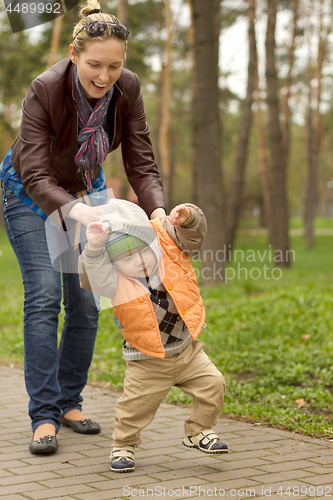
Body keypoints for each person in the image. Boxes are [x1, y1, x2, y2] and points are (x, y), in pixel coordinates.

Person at [0, 0, 165, 455]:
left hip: (88, 190)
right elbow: (34, 172)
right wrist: (76, 212)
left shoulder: (127, 90)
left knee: (87, 305)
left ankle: (69, 401)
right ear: (74, 55)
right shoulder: (45, 89)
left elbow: (141, 162)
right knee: (46, 296)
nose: (104, 75)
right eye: (94, 64)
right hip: (29, 194)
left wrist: (157, 211)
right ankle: (43, 414)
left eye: (115, 66)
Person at [79, 198, 228, 473]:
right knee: (134, 409)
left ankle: (198, 431)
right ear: (114, 263)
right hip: (146, 360)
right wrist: (96, 248)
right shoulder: (114, 281)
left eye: (143, 252)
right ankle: (123, 445)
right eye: (126, 258)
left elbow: (192, 237)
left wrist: (189, 219)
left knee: (214, 385)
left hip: (187, 351)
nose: (139, 261)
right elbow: (94, 277)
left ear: (154, 246)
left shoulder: (171, 254)